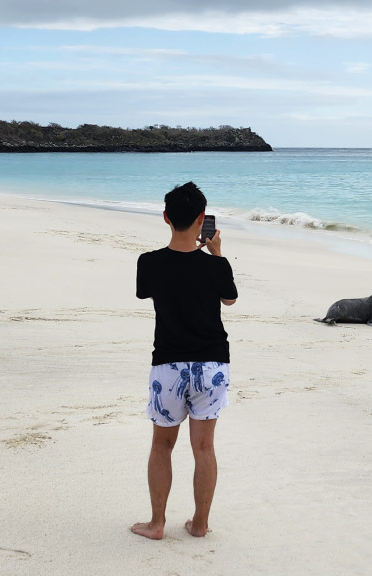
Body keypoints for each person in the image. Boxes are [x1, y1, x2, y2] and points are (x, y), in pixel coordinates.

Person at [131, 181, 238, 540]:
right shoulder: (216, 266)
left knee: (162, 445)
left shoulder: (148, 263)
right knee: (204, 447)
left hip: (169, 365)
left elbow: (146, 291)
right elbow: (230, 300)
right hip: (212, 366)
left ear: (165, 217)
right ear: (202, 220)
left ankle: (157, 523)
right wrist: (216, 254)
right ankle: (200, 524)